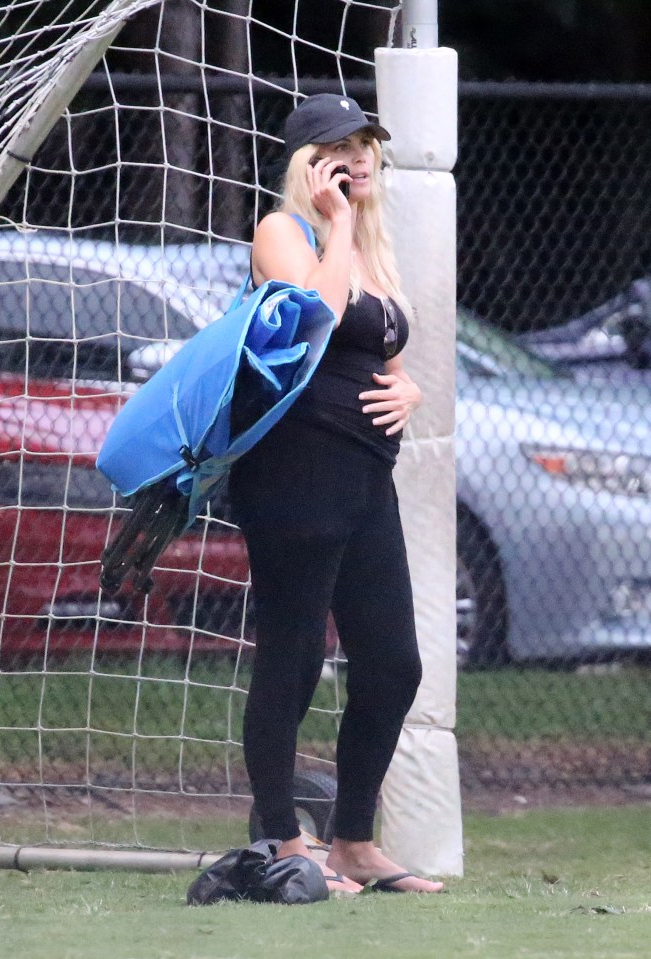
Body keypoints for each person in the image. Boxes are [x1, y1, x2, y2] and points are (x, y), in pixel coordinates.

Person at [228, 94, 443, 895]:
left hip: (364, 474)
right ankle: (284, 836)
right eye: (339, 146)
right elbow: (313, 319)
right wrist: (338, 220)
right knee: (293, 652)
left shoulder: (375, 247)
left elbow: (377, 353)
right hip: (296, 469)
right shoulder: (285, 233)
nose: (358, 157)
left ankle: (352, 838)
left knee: (393, 663)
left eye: (365, 144)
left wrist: (409, 390)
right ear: (307, 164)